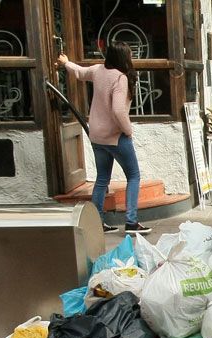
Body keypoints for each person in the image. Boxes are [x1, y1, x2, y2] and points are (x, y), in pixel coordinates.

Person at [58, 44, 149, 233]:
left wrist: (66, 63)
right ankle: (131, 222)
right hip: (116, 136)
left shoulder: (99, 70)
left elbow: (80, 72)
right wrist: (128, 130)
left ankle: (97, 222)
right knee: (133, 176)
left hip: (97, 135)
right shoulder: (120, 78)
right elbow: (118, 110)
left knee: (101, 179)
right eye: (130, 56)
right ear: (123, 58)